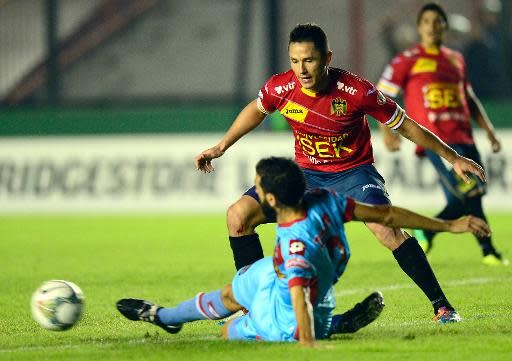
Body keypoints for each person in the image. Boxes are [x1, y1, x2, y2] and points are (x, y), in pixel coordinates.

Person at [194, 23, 486, 321]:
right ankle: (256, 309)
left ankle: (442, 306)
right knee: (238, 216)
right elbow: (256, 109)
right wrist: (221, 146)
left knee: (386, 230)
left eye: (309, 60)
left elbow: (406, 124)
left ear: (327, 58)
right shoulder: (281, 87)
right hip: (305, 177)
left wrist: (453, 158)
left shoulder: (357, 90)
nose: (302, 69)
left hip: (354, 174)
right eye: (295, 61)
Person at [117, 157, 491, 345]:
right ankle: (166, 316)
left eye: (258, 187)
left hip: (283, 312)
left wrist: (309, 346)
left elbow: (297, 292)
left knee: (228, 331)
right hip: (273, 275)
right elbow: (388, 213)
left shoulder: (296, 240)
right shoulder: (328, 200)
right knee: (237, 287)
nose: (255, 191)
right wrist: (450, 225)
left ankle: (328, 326)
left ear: (273, 199)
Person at [377, 3, 508, 266]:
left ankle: (428, 230)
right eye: (427, 22)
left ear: (445, 27)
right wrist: (388, 132)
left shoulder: (455, 59)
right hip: (435, 140)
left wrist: (489, 130)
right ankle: (488, 250)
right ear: (420, 27)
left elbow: (468, 98)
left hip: (464, 136)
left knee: (468, 195)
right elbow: (382, 96)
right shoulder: (407, 60)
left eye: (438, 22)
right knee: (471, 191)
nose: (432, 27)